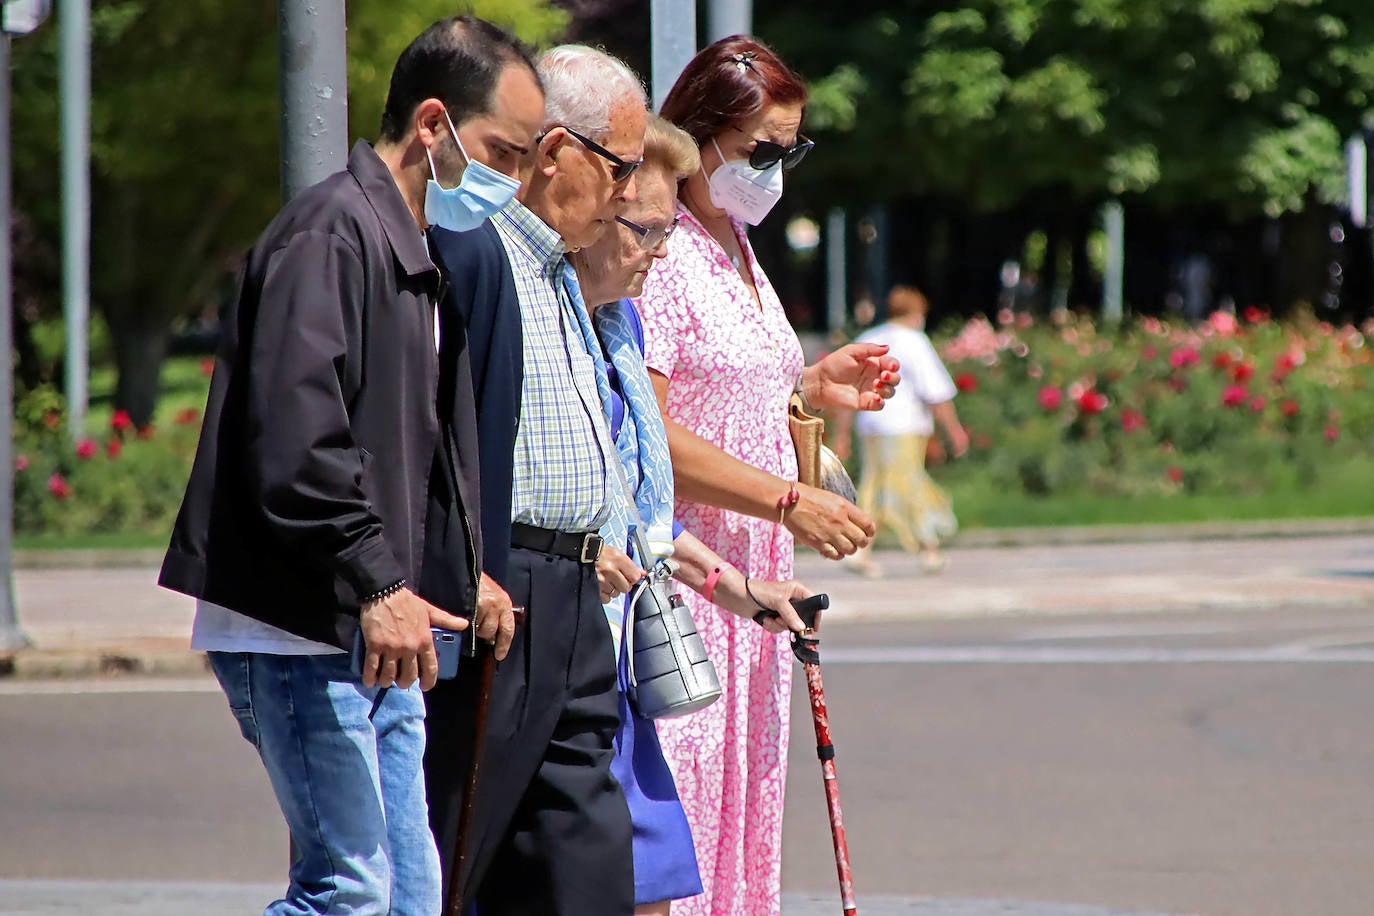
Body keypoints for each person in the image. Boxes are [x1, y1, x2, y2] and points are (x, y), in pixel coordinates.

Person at [157, 16, 540, 914]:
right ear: (435, 123)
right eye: (505, 153)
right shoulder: (332, 232)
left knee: (407, 897)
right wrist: (377, 583)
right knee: (348, 896)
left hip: (372, 625)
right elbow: (296, 442)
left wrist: (457, 568)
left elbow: (411, 440)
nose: (514, 183)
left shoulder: (407, 241)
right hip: (303, 626)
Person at [635, 35, 900, 916]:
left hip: (754, 593)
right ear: (699, 136)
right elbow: (648, 435)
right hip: (691, 578)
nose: (778, 170)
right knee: (689, 825)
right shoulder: (660, 252)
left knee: (745, 813)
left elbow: (738, 390)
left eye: (794, 150)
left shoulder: (736, 247)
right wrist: (787, 498)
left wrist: (816, 384)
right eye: (762, 151)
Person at [570, 113, 816, 916]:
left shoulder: (620, 322)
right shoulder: (561, 327)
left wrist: (739, 587)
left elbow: (642, 505)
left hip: (647, 631)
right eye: (647, 228)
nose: (663, 249)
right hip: (578, 650)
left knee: (663, 881)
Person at [423, 44, 646, 916]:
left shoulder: (559, 262)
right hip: (499, 584)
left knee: (582, 852)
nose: (628, 195)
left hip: (574, 590)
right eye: (619, 169)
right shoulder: (478, 253)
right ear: (557, 154)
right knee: (459, 841)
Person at [833, 285, 969, 576]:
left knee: (874, 484)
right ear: (916, 313)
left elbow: (845, 391)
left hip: (871, 425)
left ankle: (861, 549)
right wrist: (954, 431)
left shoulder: (868, 339)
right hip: (905, 426)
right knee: (908, 483)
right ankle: (927, 547)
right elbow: (936, 393)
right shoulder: (914, 341)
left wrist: (842, 435)